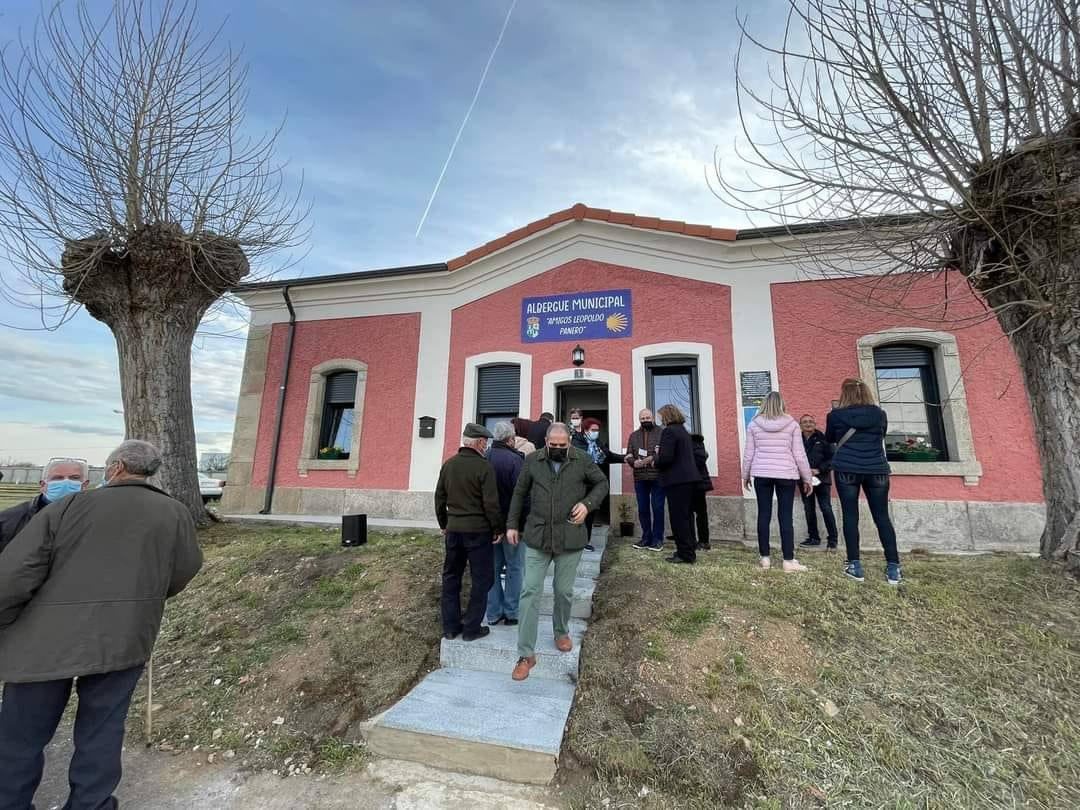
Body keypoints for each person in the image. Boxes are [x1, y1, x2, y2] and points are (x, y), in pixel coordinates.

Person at [0, 440, 203, 810]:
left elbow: (15, 573)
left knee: (21, 736)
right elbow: (184, 569)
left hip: (43, 642)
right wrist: (145, 599)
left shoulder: (71, 507)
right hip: (125, 639)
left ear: (115, 468)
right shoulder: (174, 512)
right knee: (102, 731)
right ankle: (91, 804)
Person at [507, 423, 607, 681]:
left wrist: (587, 504)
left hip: (570, 536)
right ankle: (526, 654)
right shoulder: (532, 460)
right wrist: (512, 524)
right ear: (546, 442)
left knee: (563, 590)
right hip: (537, 536)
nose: (558, 449)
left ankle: (561, 631)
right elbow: (519, 493)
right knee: (530, 591)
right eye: (554, 446)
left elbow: (601, 484)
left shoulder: (582, 459)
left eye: (563, 446)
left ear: (570, 442)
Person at [825, 378, 903, 585]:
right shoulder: (880, 414)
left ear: (844, 393)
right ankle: (894, 567)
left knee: (850, 517)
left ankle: (854, 565)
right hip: (876, 469)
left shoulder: (835, 415)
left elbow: (830, 438)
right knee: (882, 518)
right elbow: (882, 435)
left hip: (846, 469)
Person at [434, 423, 504, 641]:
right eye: (486, 443)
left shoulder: (448, 465)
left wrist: (444, 523)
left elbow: (439, 498)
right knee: (482, 579)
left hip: (454, 531)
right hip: (478, 532)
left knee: (451, 577)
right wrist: (497, 528)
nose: (487, 446)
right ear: (480, 443)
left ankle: (451, 627)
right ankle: (472, 627)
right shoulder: (484, 467)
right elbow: (491, 504)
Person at [742, 392, 814, 572]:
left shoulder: (753, 424)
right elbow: (799, 454)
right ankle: (788, 560)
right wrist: (807, 478)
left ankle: (765, 558)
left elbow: (749, 453)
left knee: (763, 514)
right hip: (786, 474)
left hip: (762, 474)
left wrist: (745, 475)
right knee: (785, 516)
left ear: (764, 404)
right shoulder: (792, 425)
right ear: (782, 403)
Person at [0, 457, 89, 556]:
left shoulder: (95, 517)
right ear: (43, 485)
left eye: (74, 478)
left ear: (85, 485)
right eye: (58, 478)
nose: (66, 483)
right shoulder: (9, 520)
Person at [486, 422, 527, 627]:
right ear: (510, 439)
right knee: (515, 568)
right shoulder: (515, 460)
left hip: (490, 526)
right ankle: (512, 612)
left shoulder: (484, 457)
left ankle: (493, 613)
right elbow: (523, 496)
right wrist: (521, 525)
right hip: (512, 526)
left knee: (492, 569)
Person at [655, 404, 700, 565]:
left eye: (660, 416)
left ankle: (684, 553)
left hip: (676, 481)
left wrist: (656, 458)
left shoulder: (669, 432)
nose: (659, 419)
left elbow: (666, 458)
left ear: (666, 416)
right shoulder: (683, 431)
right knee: (687, 517)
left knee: (678, 518)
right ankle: (689, 550)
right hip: (689, 480)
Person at [626, 409, 665, 551]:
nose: (645, 420)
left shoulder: (662, 433)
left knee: (658, 508)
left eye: (647, 417)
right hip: (640, 478)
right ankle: (646, 538)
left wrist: (651, 458)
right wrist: (632, 462)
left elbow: (664, 453)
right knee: (643, 509)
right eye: (642, 418)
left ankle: (658, 539)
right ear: (639, 420)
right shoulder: (633, 436)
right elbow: (628, 454)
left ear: (653, 418)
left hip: (658, 477)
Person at [799, 414, 839, 550]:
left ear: (815, 424)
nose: (808, 424)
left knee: (826, 508)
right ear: (800, 425)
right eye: (805, 422)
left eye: (810, 421)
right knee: (809, 509)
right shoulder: (797, 440)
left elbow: (833, 458)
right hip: (804, 480)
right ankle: (813, 537)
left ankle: (833, 539)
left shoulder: (823, 438)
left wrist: (819, 470)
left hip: (822, 479)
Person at [690, 433, 714, 551]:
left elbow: (700, 459)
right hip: (693, 482)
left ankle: (703, 541)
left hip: (697, 483)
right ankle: (692, 539)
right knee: (691, 513)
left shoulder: (695, 443)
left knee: (700, 513)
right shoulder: (696, 443)